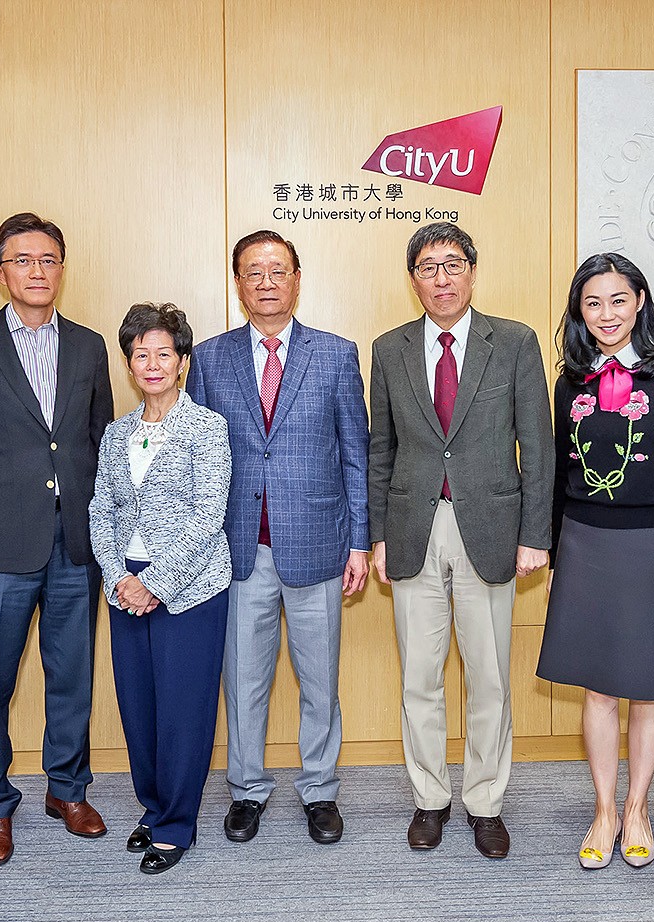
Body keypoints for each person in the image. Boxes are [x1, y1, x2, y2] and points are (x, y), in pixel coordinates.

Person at [0, 212, 115, 867]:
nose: (37, 271)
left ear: (61, 268)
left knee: (71, 677)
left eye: (48, 260)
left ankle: (67, 790)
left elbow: (97, 442)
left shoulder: (91, 346)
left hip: (75, 546)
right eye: (22, 260)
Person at [368, 222, 554, 858]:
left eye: (452, 264)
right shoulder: (389, 348)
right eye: (427, 266)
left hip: (492, 528)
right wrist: (377, 538)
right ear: (413, 278)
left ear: (472, 273)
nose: (440, 277)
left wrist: (536, 534)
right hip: (413, 529)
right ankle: (429, 798)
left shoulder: (515, 342)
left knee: (489, 676)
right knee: (419, 676)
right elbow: (380, 450)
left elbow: (539, 444)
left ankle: (485, 801)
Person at [187, 230, 369, 845]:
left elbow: (355, 455)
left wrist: (361, 543)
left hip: (318, 541)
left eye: (277, 271)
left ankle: (320, 790)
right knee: (244, 679)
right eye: (253, 273)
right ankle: (246, 789)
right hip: (237, 548)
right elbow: (197, 456)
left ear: (297, 278)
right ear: (238, 284)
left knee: (319, 679)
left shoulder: (336, 354)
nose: (266, 283)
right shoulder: (209, 359)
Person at [539, 253, 654, 869]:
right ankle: (604, 810)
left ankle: (638, 807)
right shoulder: (570, 380)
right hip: (587, 545)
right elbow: (560, 472)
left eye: (618, 300)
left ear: (640, 301)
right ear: (579, 312)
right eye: (593, 303)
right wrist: (557, 549)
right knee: (599, 688)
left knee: (647, 688)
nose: (607, 314)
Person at [90, 302, 232, 874]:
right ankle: (152, 808)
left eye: (163, 354)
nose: (152, 364)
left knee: (183, 711)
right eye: (140, 354)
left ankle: (177, 825)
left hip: (190, 590)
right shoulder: (117, 432)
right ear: (129, 364)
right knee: (140, 709)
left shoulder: (207, 427)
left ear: (183, 363)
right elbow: (102, 508)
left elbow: (208, 516)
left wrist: (157, 584)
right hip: (125, 585)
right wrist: (118, 576)